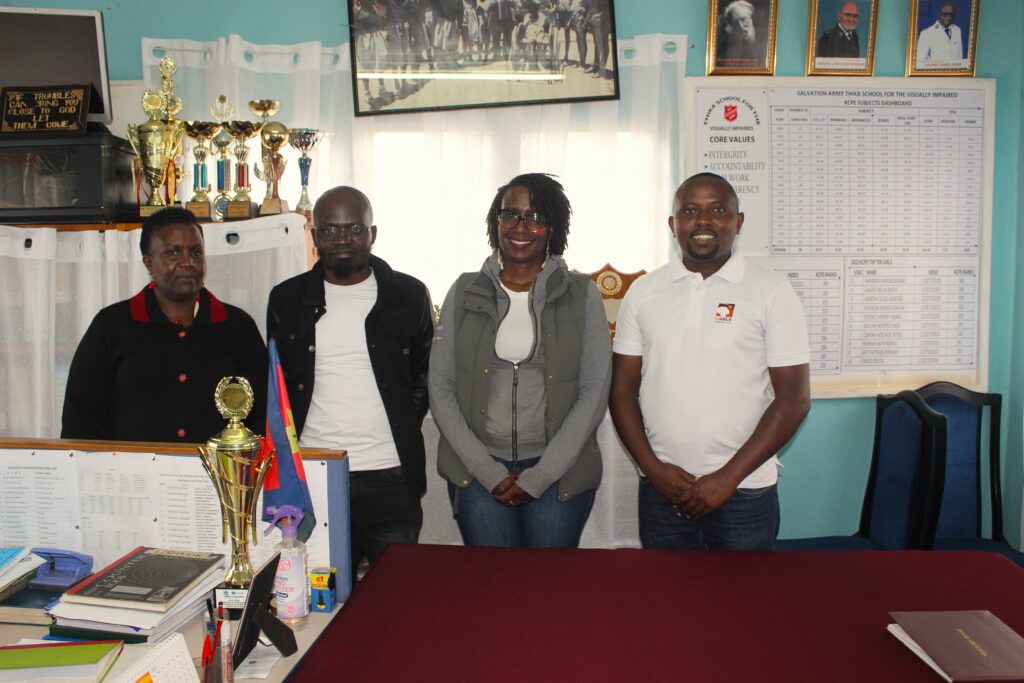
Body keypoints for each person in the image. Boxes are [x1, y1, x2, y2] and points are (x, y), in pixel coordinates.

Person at [608, 173, 810, 551]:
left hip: (744, 491)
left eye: (718, 210)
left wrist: (727, 479)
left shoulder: (771, 290)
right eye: (689, 211)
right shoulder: (644, 291)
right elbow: (621, 391)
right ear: (673, 225)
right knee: (668, 603)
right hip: (663, 491)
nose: (703, 221)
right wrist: (654, 472)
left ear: (739, 222)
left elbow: (794, 400)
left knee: (741, 606)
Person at [430, 173, 611, 548]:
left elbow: (594, 391)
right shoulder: (463, 290)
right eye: (510, 215)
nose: (520, 227)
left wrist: (540, 476)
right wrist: (487, 471)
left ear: (553, 227)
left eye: (534, 217)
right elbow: (441, 386)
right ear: (495, 222)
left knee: (548, 589)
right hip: (478, 470)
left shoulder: (583, 293)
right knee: (493, 588)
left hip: (559, 471)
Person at [266, 186, 433, 577]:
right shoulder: (286, 299)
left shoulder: (407, 294)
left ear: (373, 234)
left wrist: (401, 423)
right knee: (318, 587)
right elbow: (280, 383)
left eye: (354, 228)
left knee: (397, 590)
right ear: (314, 236)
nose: (342, 239)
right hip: (312, 474)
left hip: (389, 474)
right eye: (329, 230)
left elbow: (426, 375)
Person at [61, 207, 267, 442]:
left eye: (196, 253)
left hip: (218, 475)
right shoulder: (111, 326)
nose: (187, 262)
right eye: (173, 252)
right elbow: (80, 419)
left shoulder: (237, 326)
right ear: (149, 262)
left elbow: (263, 411)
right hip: (133, 474)